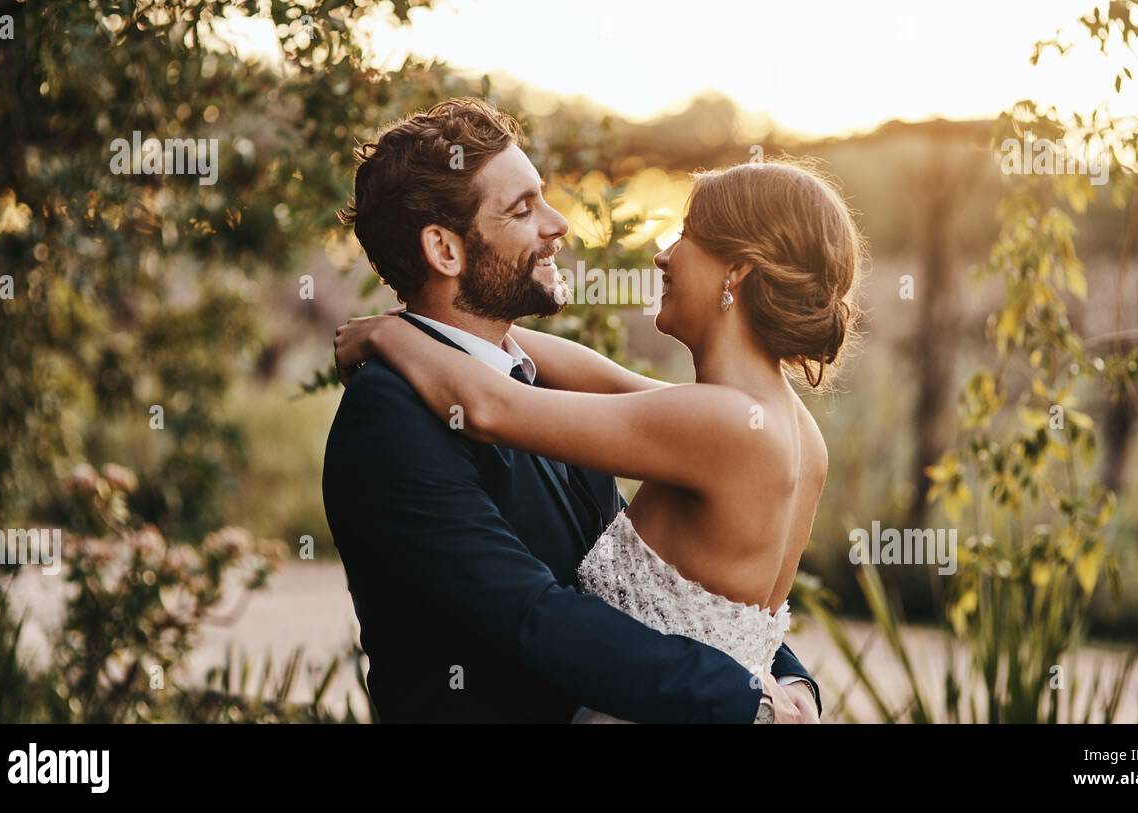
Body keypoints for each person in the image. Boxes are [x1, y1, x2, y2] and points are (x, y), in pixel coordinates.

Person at [328, 98, 860, 723]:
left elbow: (493, 406)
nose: (559, 224)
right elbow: (535, 616)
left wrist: (390, 332)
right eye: (524, 209)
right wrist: (759, 692)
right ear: (445, 251)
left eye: (686, 236)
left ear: (736, 274)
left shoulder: (694, 419)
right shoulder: (390, 416)